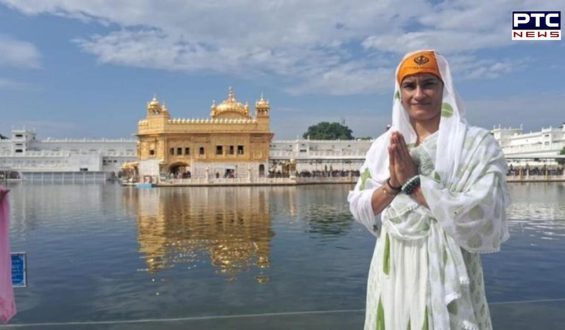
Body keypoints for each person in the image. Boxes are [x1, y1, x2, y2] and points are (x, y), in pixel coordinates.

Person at [348, 50, 509, 330]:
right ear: (399, 93)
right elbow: (360, 205)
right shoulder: (384, 145)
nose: (419, 94)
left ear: (444, 88)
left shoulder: (474, 145)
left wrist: (414, 184)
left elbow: (483, 211)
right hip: (394, 266)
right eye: (410, 86)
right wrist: (393, 185)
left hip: (447, 273)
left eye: (429, 84)